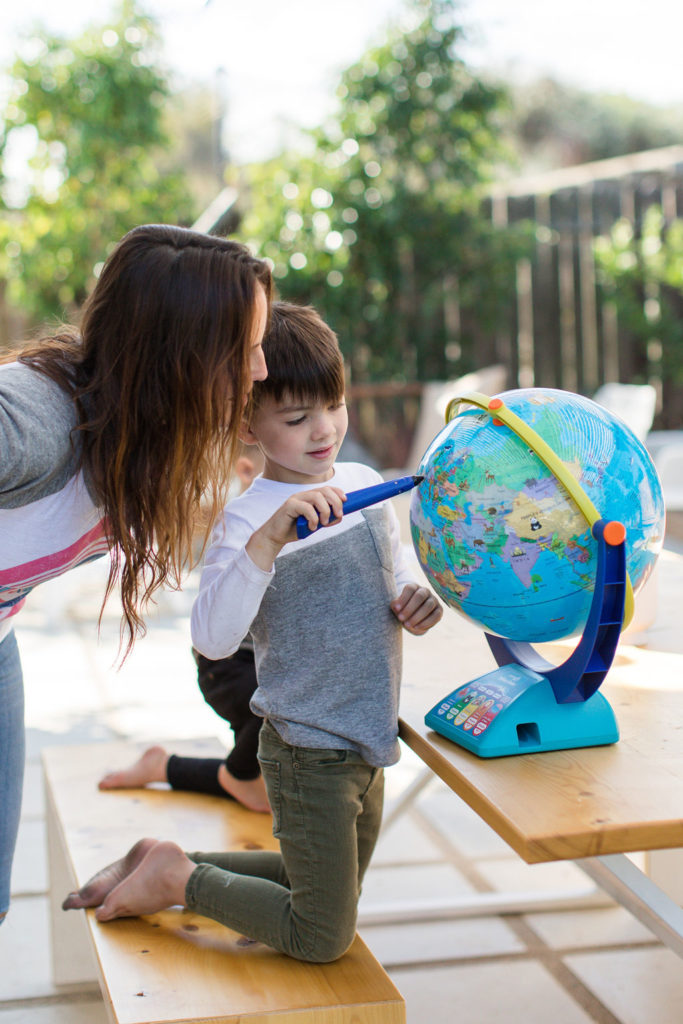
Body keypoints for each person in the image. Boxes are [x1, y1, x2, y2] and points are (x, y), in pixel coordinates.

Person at [63, 300, 443, 963]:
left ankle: (165, 862)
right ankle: (179, 881)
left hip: (366, 736)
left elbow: (398, 571)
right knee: (322, 935)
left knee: (325, 890)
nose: (324, 430)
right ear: (246, 425)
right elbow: (212, 639)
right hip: (306, 750)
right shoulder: (244, 522)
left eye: (334, 405)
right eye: (296, 419)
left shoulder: (363, 483)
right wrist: (266, 542)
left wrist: (415, 599)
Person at [0, 223, 272, 925]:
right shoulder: (33, 426)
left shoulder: (140, 438)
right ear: (181, 354)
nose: (260, 370)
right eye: (244, 350)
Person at [97, 450, 270, 812]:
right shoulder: (244, 523)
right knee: (281, 711)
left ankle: (164, 767)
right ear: (246, 471)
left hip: (262, 666)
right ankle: (237, 774)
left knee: (264, 794)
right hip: (232, 666)